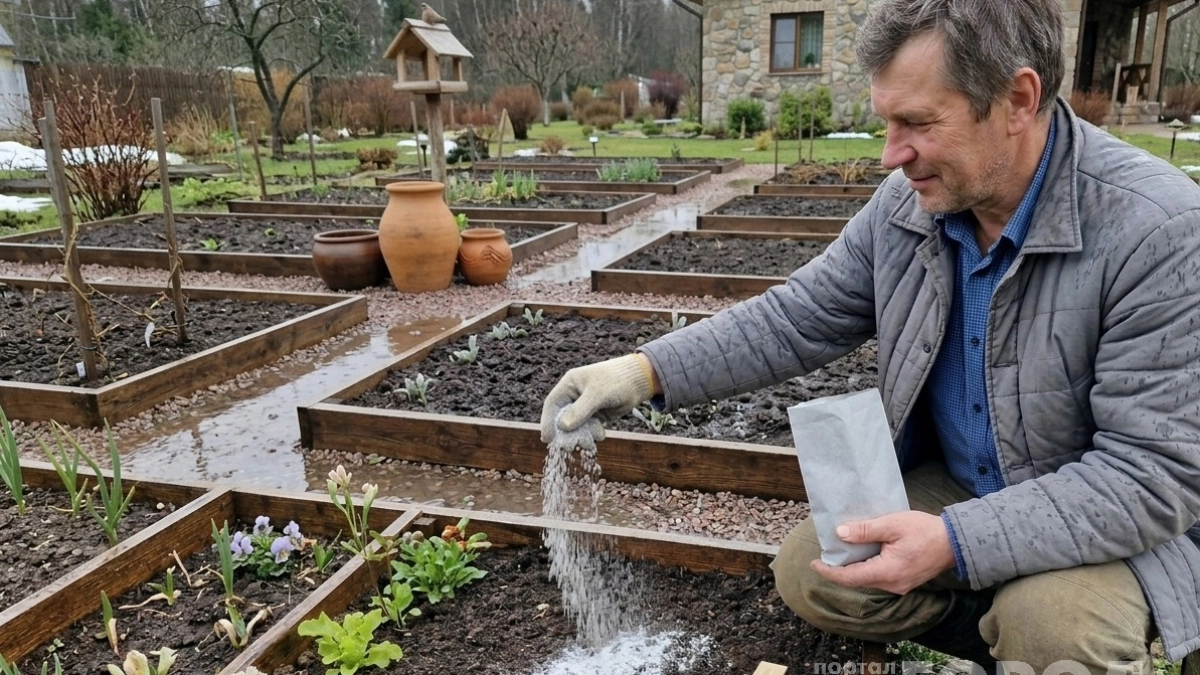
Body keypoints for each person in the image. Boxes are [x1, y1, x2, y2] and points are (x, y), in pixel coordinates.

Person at [539, 0, 1200, 671]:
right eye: (885, 122)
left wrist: (952, 542)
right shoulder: (910, 206)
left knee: (1053, 626)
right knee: (816, 567)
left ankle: (1031, 620)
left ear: (1018, 100)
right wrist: (645, 371)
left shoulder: (1156, 230)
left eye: (916, 123)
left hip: (1103, 515)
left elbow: (1151, 475)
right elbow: (798, 314)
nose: (891, 155)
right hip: (969, 483)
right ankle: (995, 626)